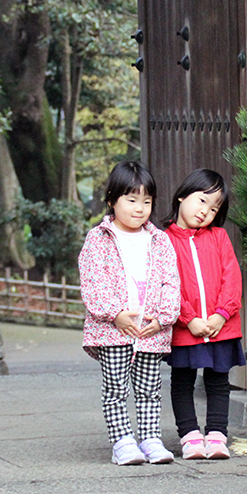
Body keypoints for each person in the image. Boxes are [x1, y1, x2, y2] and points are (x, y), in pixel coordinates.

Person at [79, 161, 182, 465]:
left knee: (150, 388)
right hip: (114, 330)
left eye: (146, 201)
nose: (139, 209)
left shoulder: (159, 240)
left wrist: (164, 317)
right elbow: (93, 280)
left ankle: (150, 438)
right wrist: (114, 314)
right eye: (131, 200)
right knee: (115, 387)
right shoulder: (98, 239)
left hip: (150, 329)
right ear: (112, 200)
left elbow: (170, 280)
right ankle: (122, 441)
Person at [162, 169, 245, 459]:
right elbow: (167, 284)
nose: (205, 212)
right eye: (201, 201)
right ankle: (189, 435)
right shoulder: (163, 241)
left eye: (213, 209)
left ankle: (218, 434)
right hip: (187, 327)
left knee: (218, 380)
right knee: (182, 380)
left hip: (221, 325)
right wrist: (189, 319)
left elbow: (231, 278)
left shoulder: (219, 237)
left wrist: (221, 314)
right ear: (182, 195)